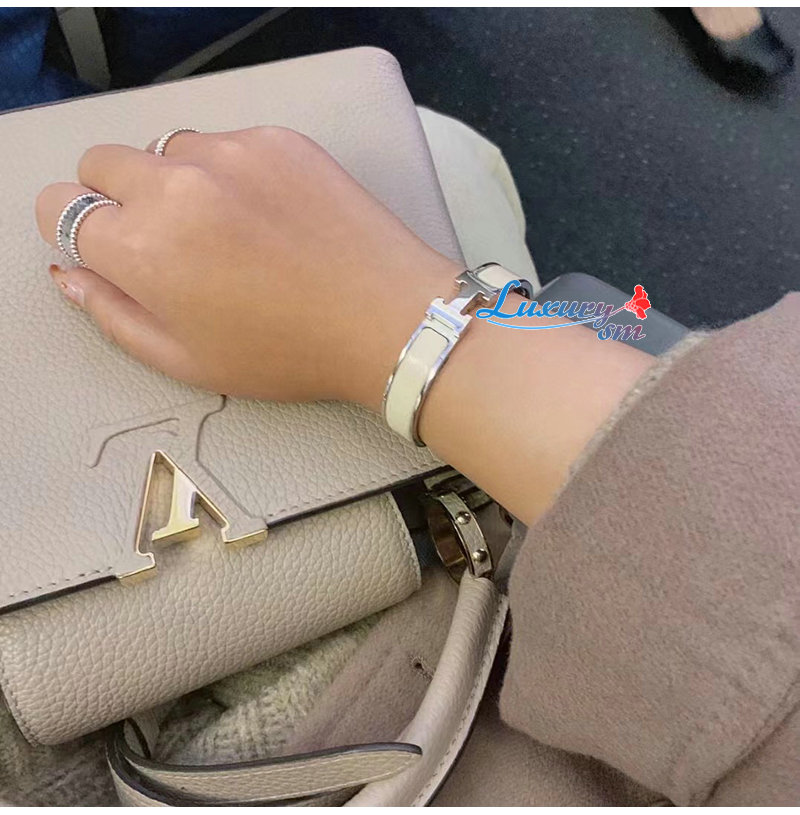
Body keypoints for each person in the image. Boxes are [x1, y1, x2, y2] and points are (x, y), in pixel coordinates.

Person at [34, 126, 799, 805]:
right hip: (586, 477)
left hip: (442, 697)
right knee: (442, 152)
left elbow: (761, 643)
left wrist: (387, 320)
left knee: (442, 149)